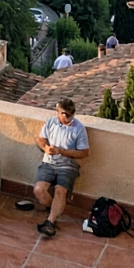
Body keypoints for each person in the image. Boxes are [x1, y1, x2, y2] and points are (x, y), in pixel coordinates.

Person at [34, 98, 91, 237]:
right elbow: (41, 139)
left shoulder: (79, 128)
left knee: (60, 191)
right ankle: (54, 208)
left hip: (68, 166)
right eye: (65, 114)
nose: (69, 117)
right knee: (38, 190)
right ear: (59, 113)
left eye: (71, 115)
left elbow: (84, 152)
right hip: (49, 163)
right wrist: (46, 148)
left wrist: (61, 151)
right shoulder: (50, 122)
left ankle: (50, 222)